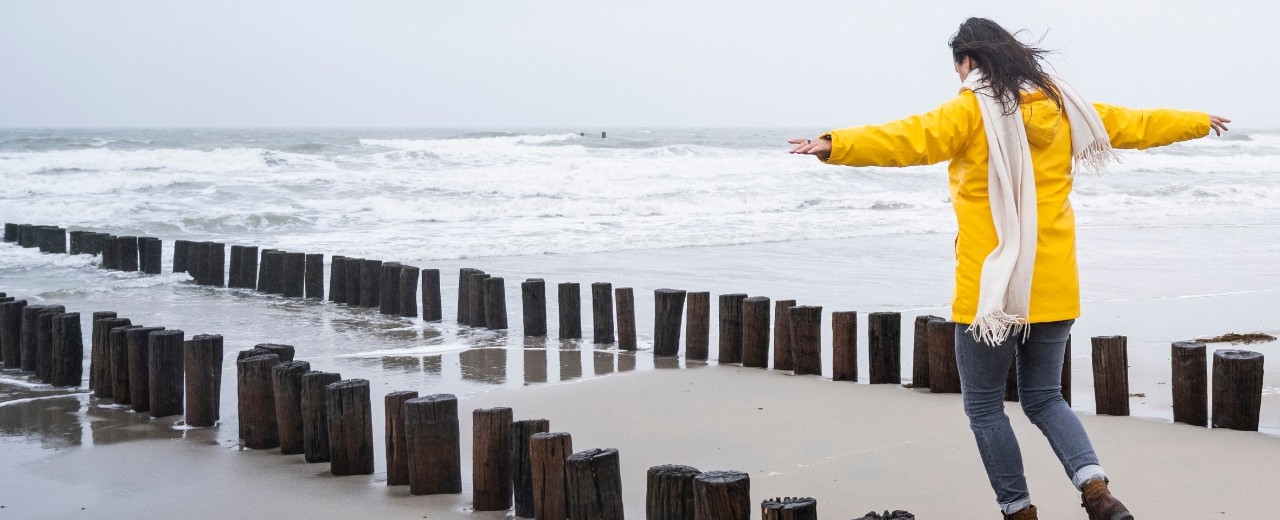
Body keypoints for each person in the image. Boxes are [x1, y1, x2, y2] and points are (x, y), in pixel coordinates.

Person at [788, 17, 1230, 520]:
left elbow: (908, 138)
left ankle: (1019, 511)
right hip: (1055, 284)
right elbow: (1137, 124)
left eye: (958, 67)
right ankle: (1097, 493)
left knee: (983, 407)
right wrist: (1197, 120)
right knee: (1044, 398)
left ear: (970, 61)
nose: (959, 78)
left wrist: (836, 143)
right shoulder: (1066, 108)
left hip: (991, 290)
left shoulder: (971, 111)